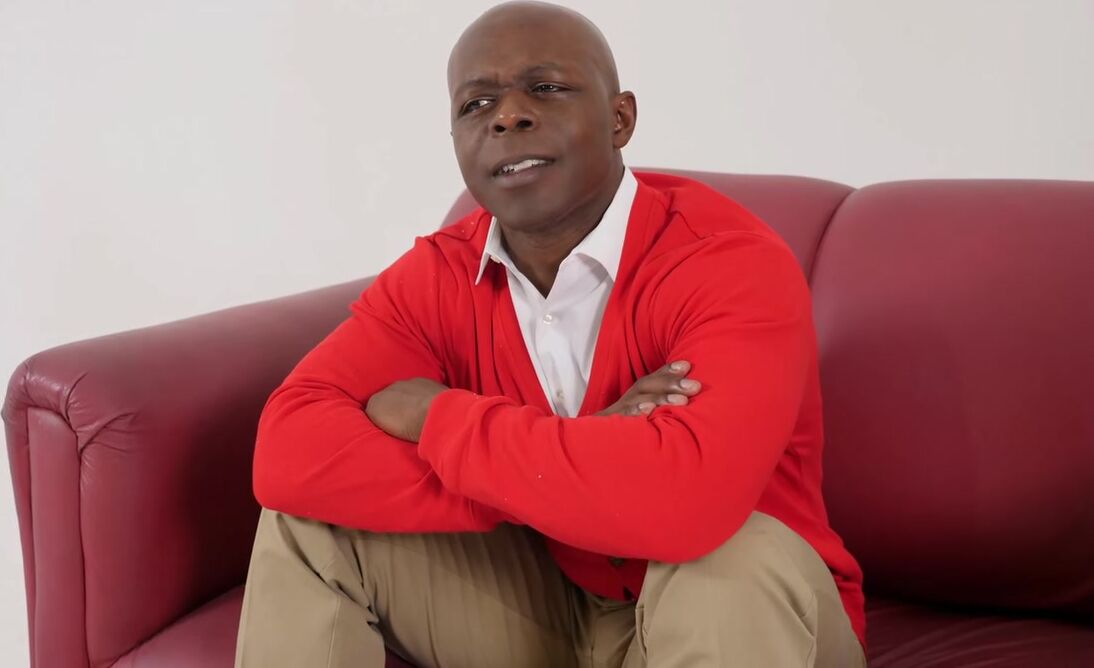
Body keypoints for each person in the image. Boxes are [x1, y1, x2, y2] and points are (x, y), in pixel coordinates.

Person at [234, 2, 866, 666]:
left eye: (545, 87)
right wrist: (578, 452)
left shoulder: (726, 260)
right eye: (476, 105)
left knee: (733, 560)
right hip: (551, 607)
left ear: (620, 119)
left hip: (741, 614)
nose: (507, 115)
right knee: (307, 522)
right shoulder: (440, 273)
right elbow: (288, 452)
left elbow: (686, 504)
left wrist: (437, 418)